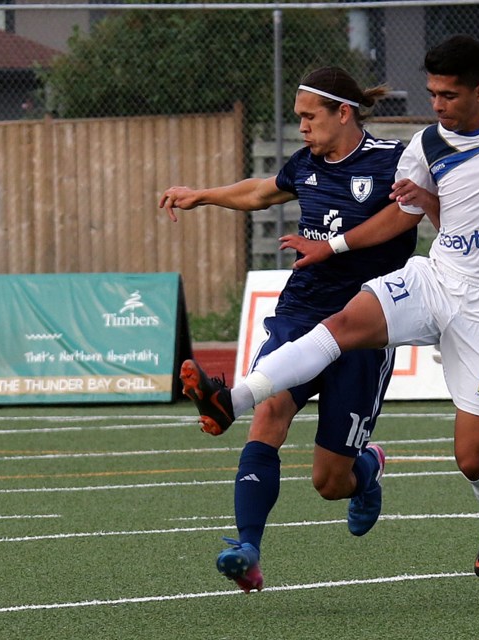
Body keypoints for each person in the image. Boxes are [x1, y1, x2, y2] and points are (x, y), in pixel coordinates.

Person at [181, 35, 479, 579]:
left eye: (449, 95)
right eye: (432, 93)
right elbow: (403, 215)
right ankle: (232, 400)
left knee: (471, 458)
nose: (437, 106)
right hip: (435, 277)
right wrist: (336, 245)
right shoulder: (427, 143)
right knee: (340, 324)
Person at [159, 66, 437, 593]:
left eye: (310, 117)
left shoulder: (394, 159)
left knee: (329, 482)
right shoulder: (306, 163)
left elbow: (406, 217)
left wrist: (331, 246)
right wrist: (203, 196)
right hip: (302, 311)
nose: (303, 128)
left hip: (367, 323)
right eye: (299, 119)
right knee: (270, 410)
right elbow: (263, 192)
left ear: (343, 112)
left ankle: (367, 472)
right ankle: (247, 550)